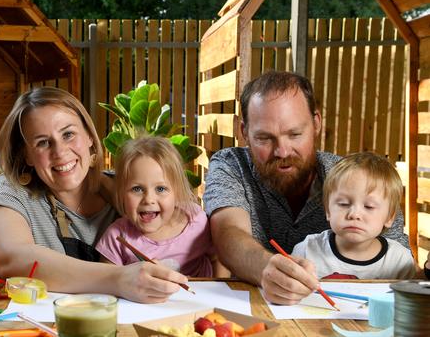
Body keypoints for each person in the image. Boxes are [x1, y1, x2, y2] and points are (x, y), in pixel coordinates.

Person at [203, 71, 409, 305]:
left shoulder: (354, 180)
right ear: (244, 132)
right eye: (264, 138)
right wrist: (265, 269)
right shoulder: (230, 164)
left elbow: (396, 257)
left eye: (295, 134)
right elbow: (228, 232)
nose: (282, 151)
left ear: (316, 124)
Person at [0, 87, 188, 303]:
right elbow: (11, 259)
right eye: (42, 142)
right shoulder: (9, 191)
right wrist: (118, 279)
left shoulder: (135, 191)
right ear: (27, 155)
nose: (60, 152)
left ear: (89, 135)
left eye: (68, 134)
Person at [96, 136, 214, 277]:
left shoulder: (196, 220)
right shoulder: (116, 237)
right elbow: (107, 281)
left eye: (160, 189)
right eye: (137, 189)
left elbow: (217, 258)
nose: (149, 199)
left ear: (176, 192)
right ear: (121, 194)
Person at [292, 152, 416, 279]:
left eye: (369, 206)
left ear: (390, 217)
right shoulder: (306, 251)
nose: (354, 215)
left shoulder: (399, 261)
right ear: (328, 210)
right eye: (343, 204)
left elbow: (411, 297)